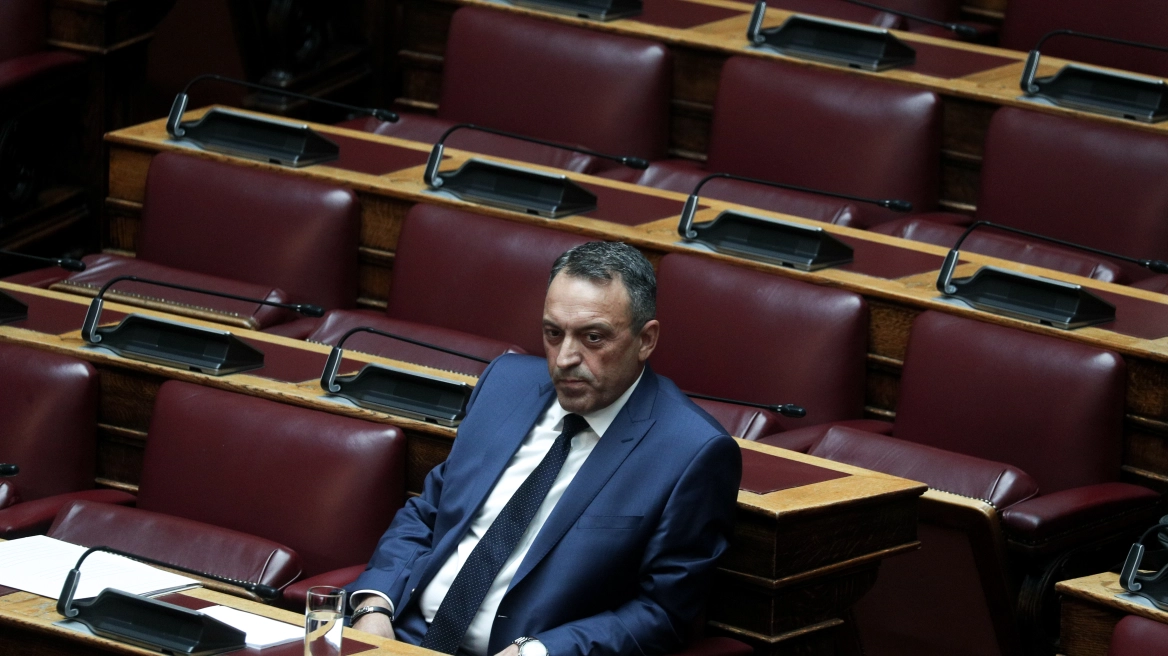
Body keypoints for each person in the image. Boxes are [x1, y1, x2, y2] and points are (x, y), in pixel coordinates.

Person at [347, 241, 741, 656]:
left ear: (646, 339)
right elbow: (430, 512)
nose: (565, 358)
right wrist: (375, 604)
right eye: (554, 333)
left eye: (593, 337)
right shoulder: (505, 384)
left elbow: (662, 613)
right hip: (403, 637)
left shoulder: (691, 452)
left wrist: (538, 652)